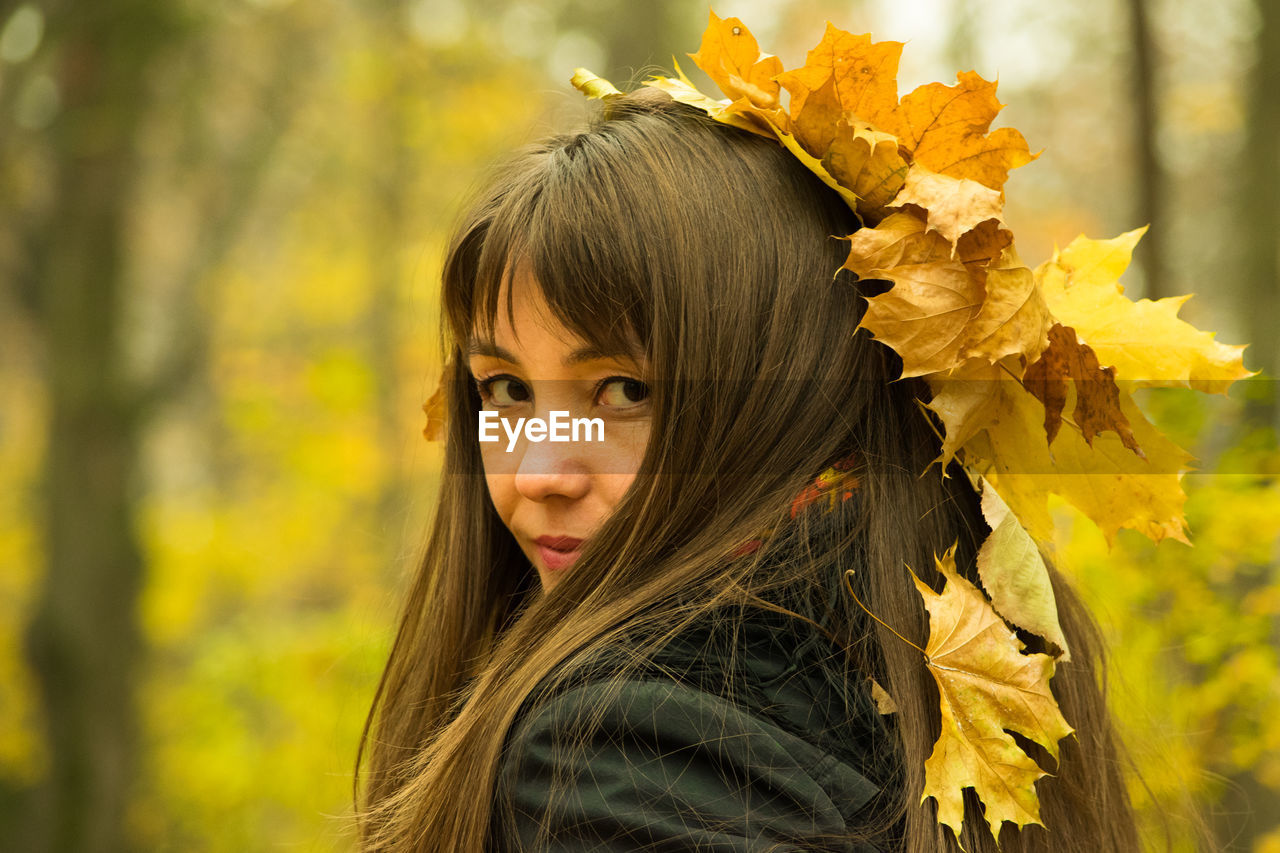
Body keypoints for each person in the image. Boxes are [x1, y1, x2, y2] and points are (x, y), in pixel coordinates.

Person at [355, 87, 1140, 851]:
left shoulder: (621, 750)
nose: (539, 473)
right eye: (508, 389)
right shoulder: (949, 657)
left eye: (625, 390)